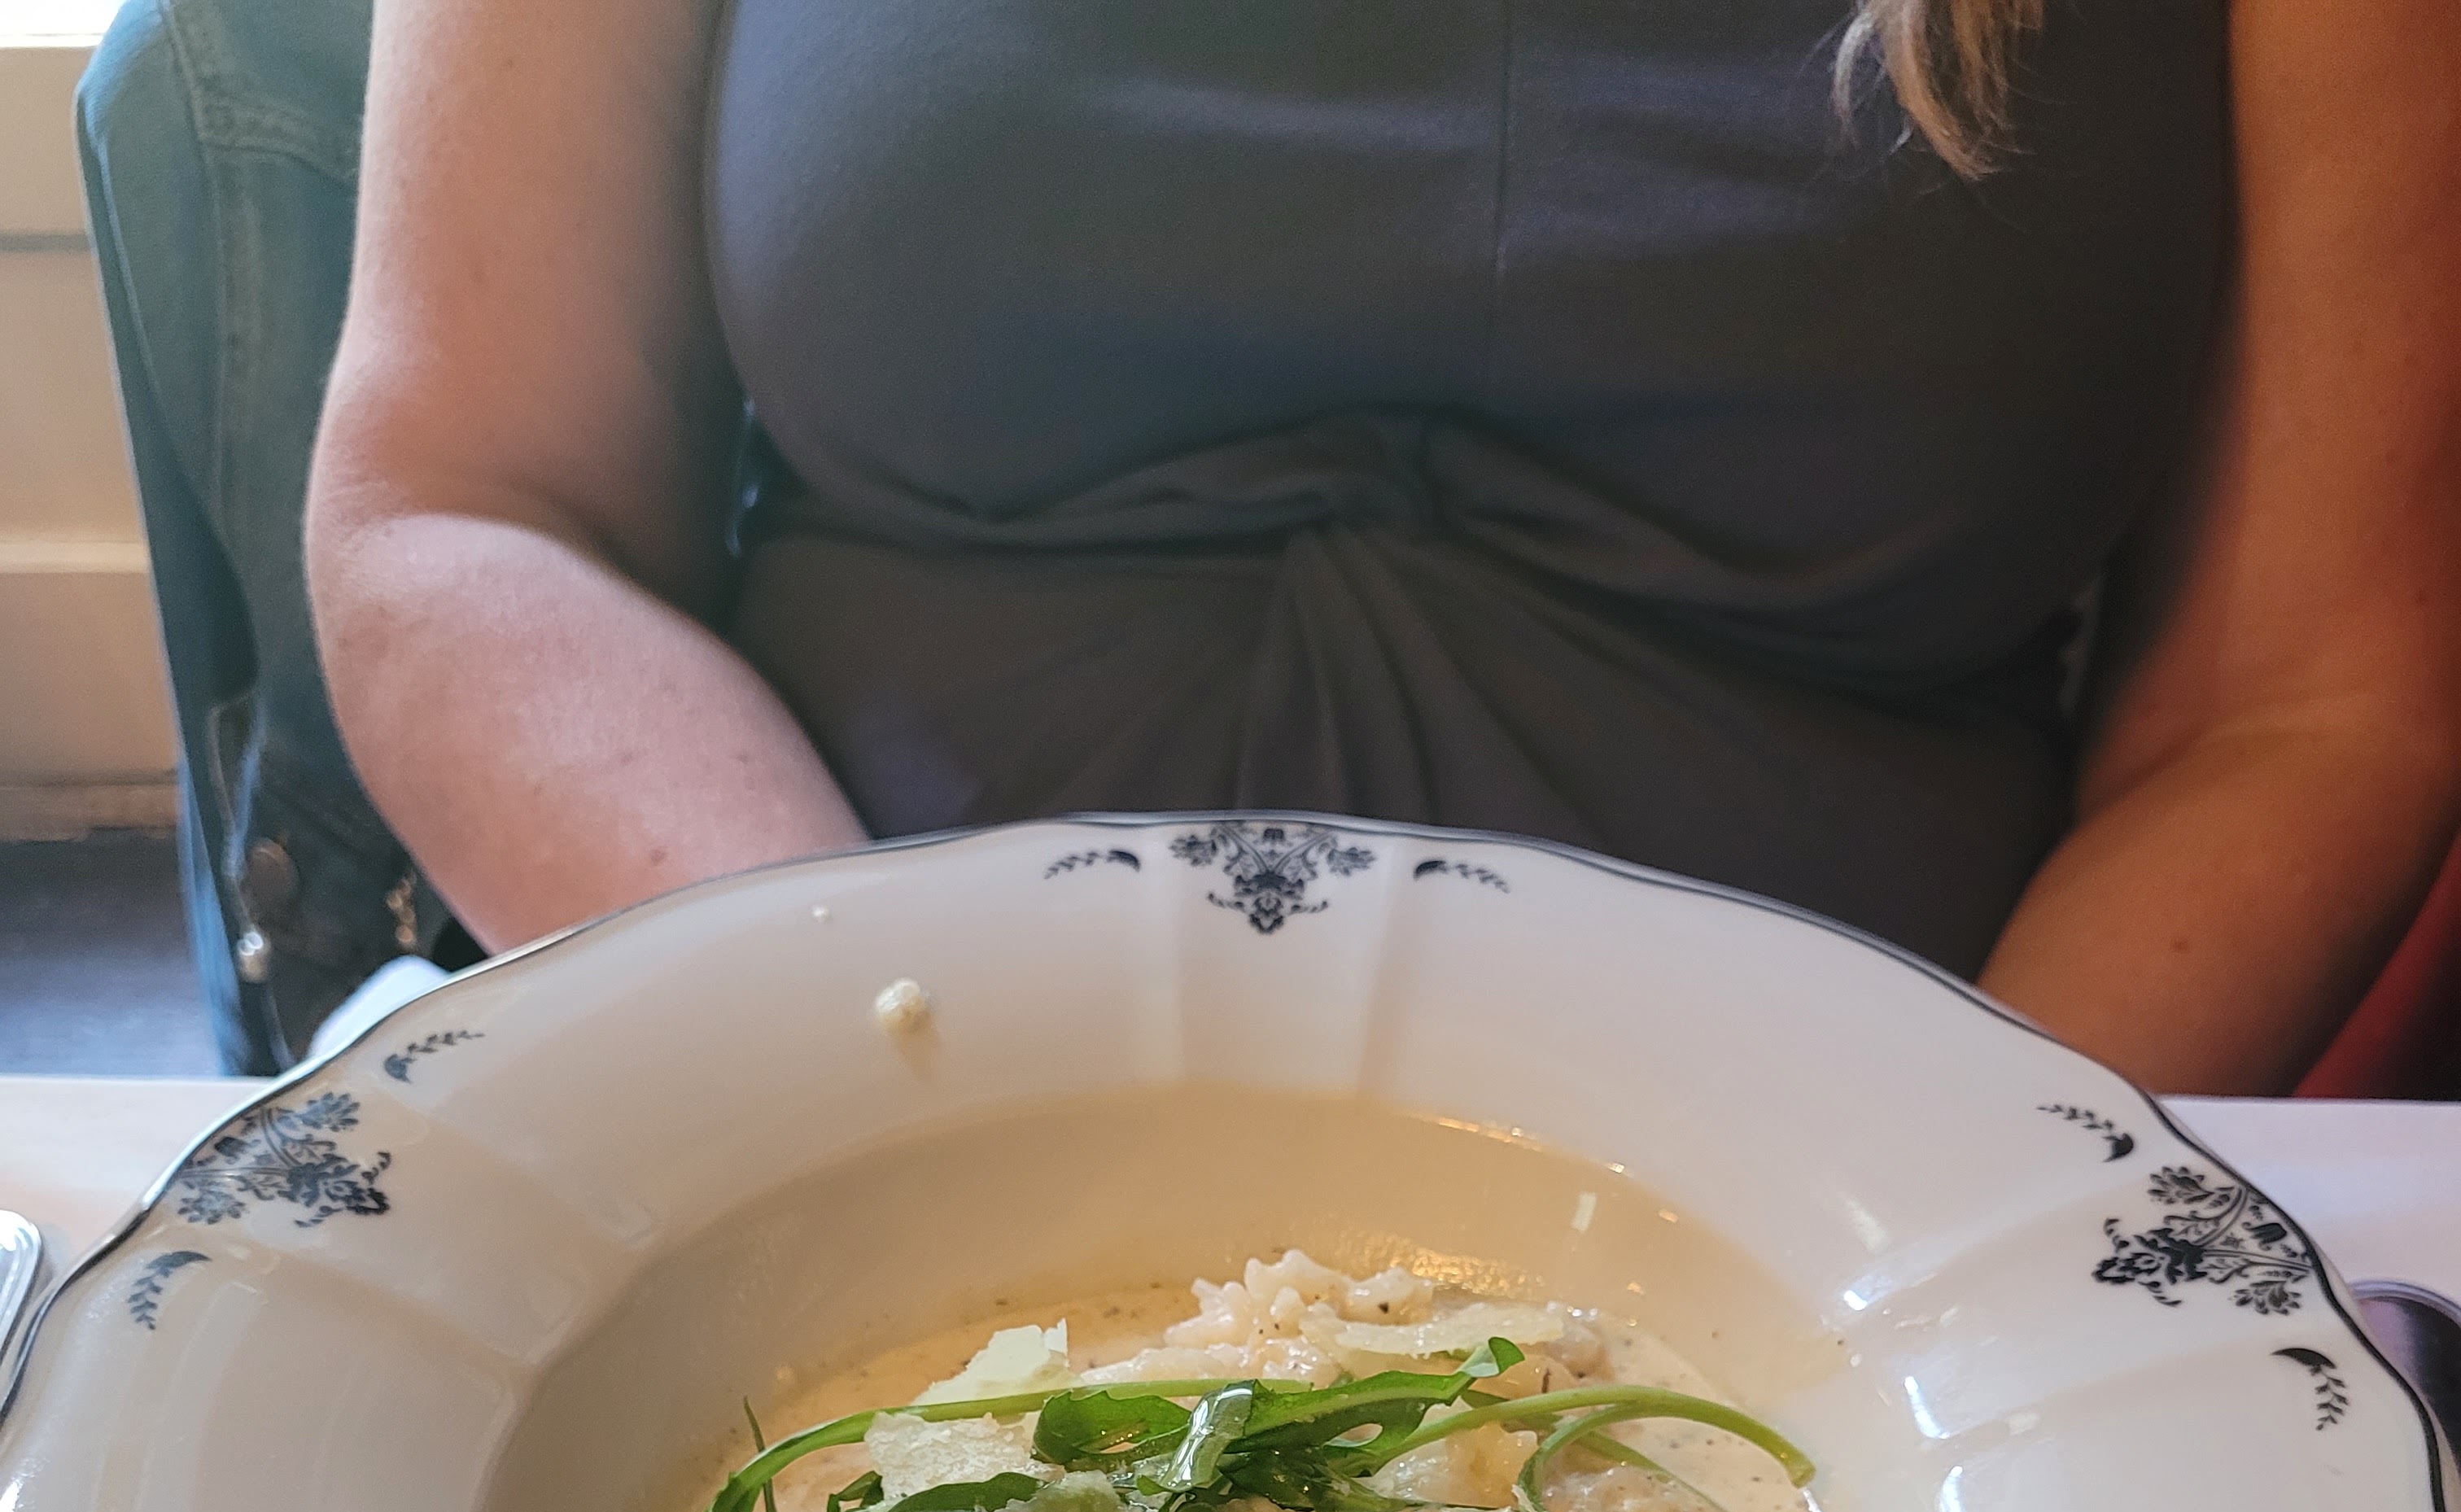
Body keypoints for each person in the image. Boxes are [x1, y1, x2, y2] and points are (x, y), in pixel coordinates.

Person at [303, 0, 2458, 1103]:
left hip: (1855, 1190)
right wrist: (864, 1077)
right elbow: (471, 502)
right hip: (813, 1074)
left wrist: (1933, 1213)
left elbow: (2309, 701)